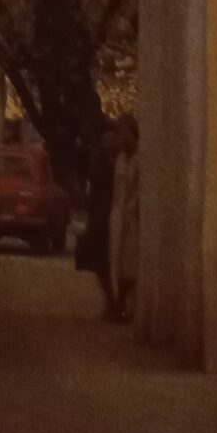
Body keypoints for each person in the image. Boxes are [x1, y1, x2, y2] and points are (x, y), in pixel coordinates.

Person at [77, 120, 118, 317]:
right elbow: (93, 189)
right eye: (106, 140)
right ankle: (110, 299)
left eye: (112, 140)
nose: (109, 144)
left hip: (115, 212)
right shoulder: (99, 161)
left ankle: (117, 302)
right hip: (100, 215)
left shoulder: (121, 161)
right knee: (100, 261)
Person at [109, 114, 140, 323]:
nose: (121, 137)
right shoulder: (120, 159)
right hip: (119, 215)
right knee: (118, 262)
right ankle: (120, 304)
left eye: (124, 132)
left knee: (132, 263)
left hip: (133, 216)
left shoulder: (141, 158)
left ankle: (127, 305)